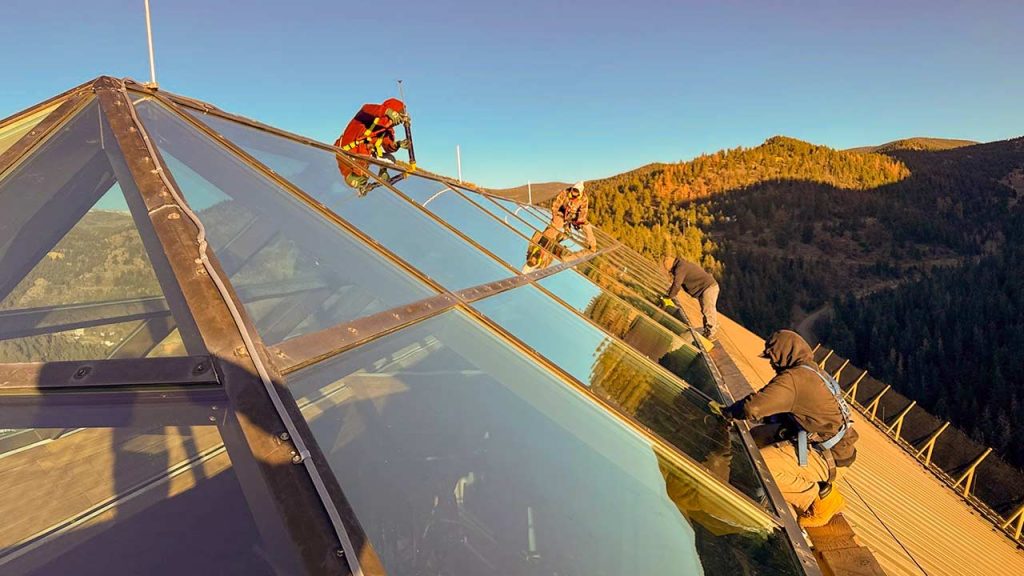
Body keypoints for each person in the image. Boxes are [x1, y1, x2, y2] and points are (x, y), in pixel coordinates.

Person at [711, 329, 858, 528]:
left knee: (760, 467)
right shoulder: (812, 372)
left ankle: (819, 498)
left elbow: (752, 408)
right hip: (827, 447)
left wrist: (727, 412)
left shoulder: (795, 378)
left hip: (827, 458)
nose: (772, 365)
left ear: (783, 356)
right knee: (755, 437)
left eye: (773, 359)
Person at [334, 98, 411, 193]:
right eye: (399, 116)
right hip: (347, 152)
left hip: (365, 157)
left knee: (390, 159)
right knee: (353, 179)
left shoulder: (388, 129)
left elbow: (388, 147)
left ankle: (381, 173)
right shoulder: (369, 116)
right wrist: (387, 111)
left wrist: (398, 145)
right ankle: (352, 178)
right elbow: (366, 108)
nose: (398, 120)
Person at [661, 256, 720, 340]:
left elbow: (677, 284)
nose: (671, 272)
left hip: (708, 287)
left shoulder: (680, 267)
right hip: (705, 287)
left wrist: (669, 296)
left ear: (671, 265)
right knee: (705, 310)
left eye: (670, 270)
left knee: (708, 309)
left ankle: (710, 333)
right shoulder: (681, 264)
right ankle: (707, 331)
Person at [549, 182, 597, 252]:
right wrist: (555, 215)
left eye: (576, 191)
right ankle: (546, 239)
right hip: (562, 213)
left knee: (587, 226)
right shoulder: (565, 193)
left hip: (575, 216)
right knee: (557, 224)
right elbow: (556, 204)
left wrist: (579, 221)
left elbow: (583, 211)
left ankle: (592, 246)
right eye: (574, 190)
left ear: (580, 192)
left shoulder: (584, 198)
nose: (574, 192)